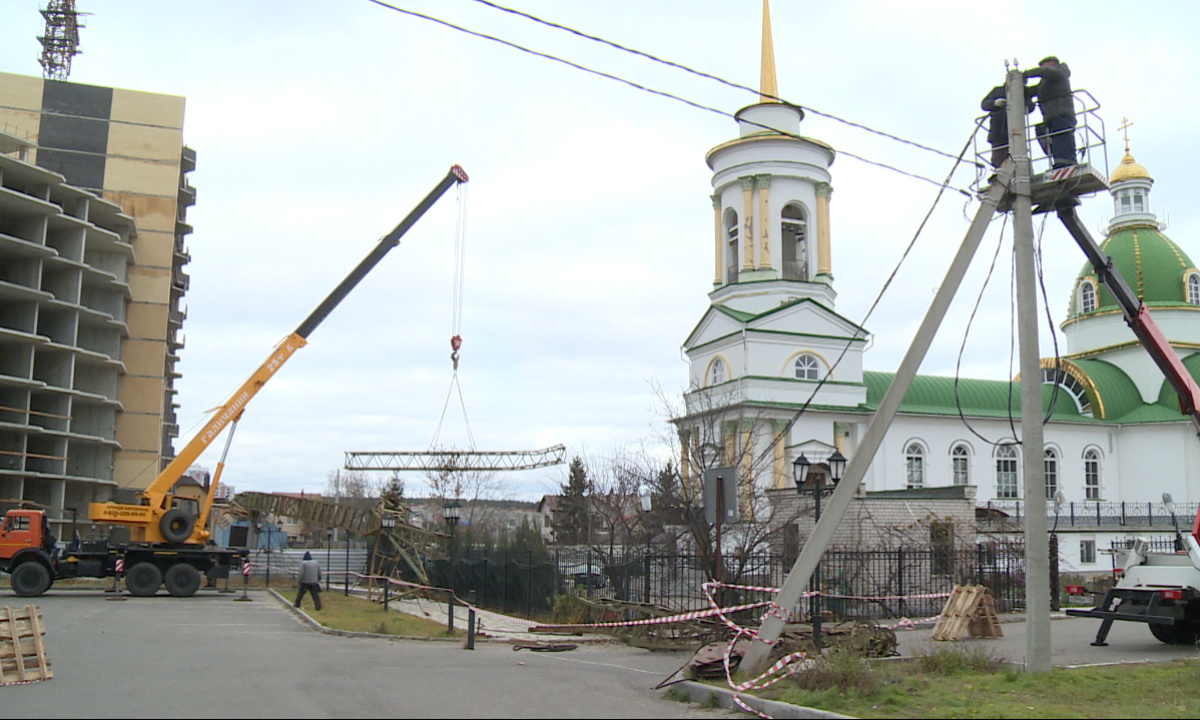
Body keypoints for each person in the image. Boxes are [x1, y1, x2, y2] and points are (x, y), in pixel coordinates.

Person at [1024, 56, 1076, 168]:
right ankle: (1063, 162)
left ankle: (1063, 163)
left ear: (1052, 63)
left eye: (1045, 65)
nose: (1043, 68)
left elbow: (1047, 72)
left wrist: (1027, 73)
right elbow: (1032, 91)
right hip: (1052, 118)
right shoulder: (1045, 83)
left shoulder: (1060, 72)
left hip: (1062, 114)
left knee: (1061, 138)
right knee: (1053, 138)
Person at [980, 84, 1035, 169]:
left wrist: (1020, 102)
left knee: (1019, 158)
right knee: (999, 161)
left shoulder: (1022, 92)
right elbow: (984, 104)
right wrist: (994, 103)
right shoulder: (998, 90)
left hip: (1016, 133)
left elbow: (1030, 107)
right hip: (998, 133)